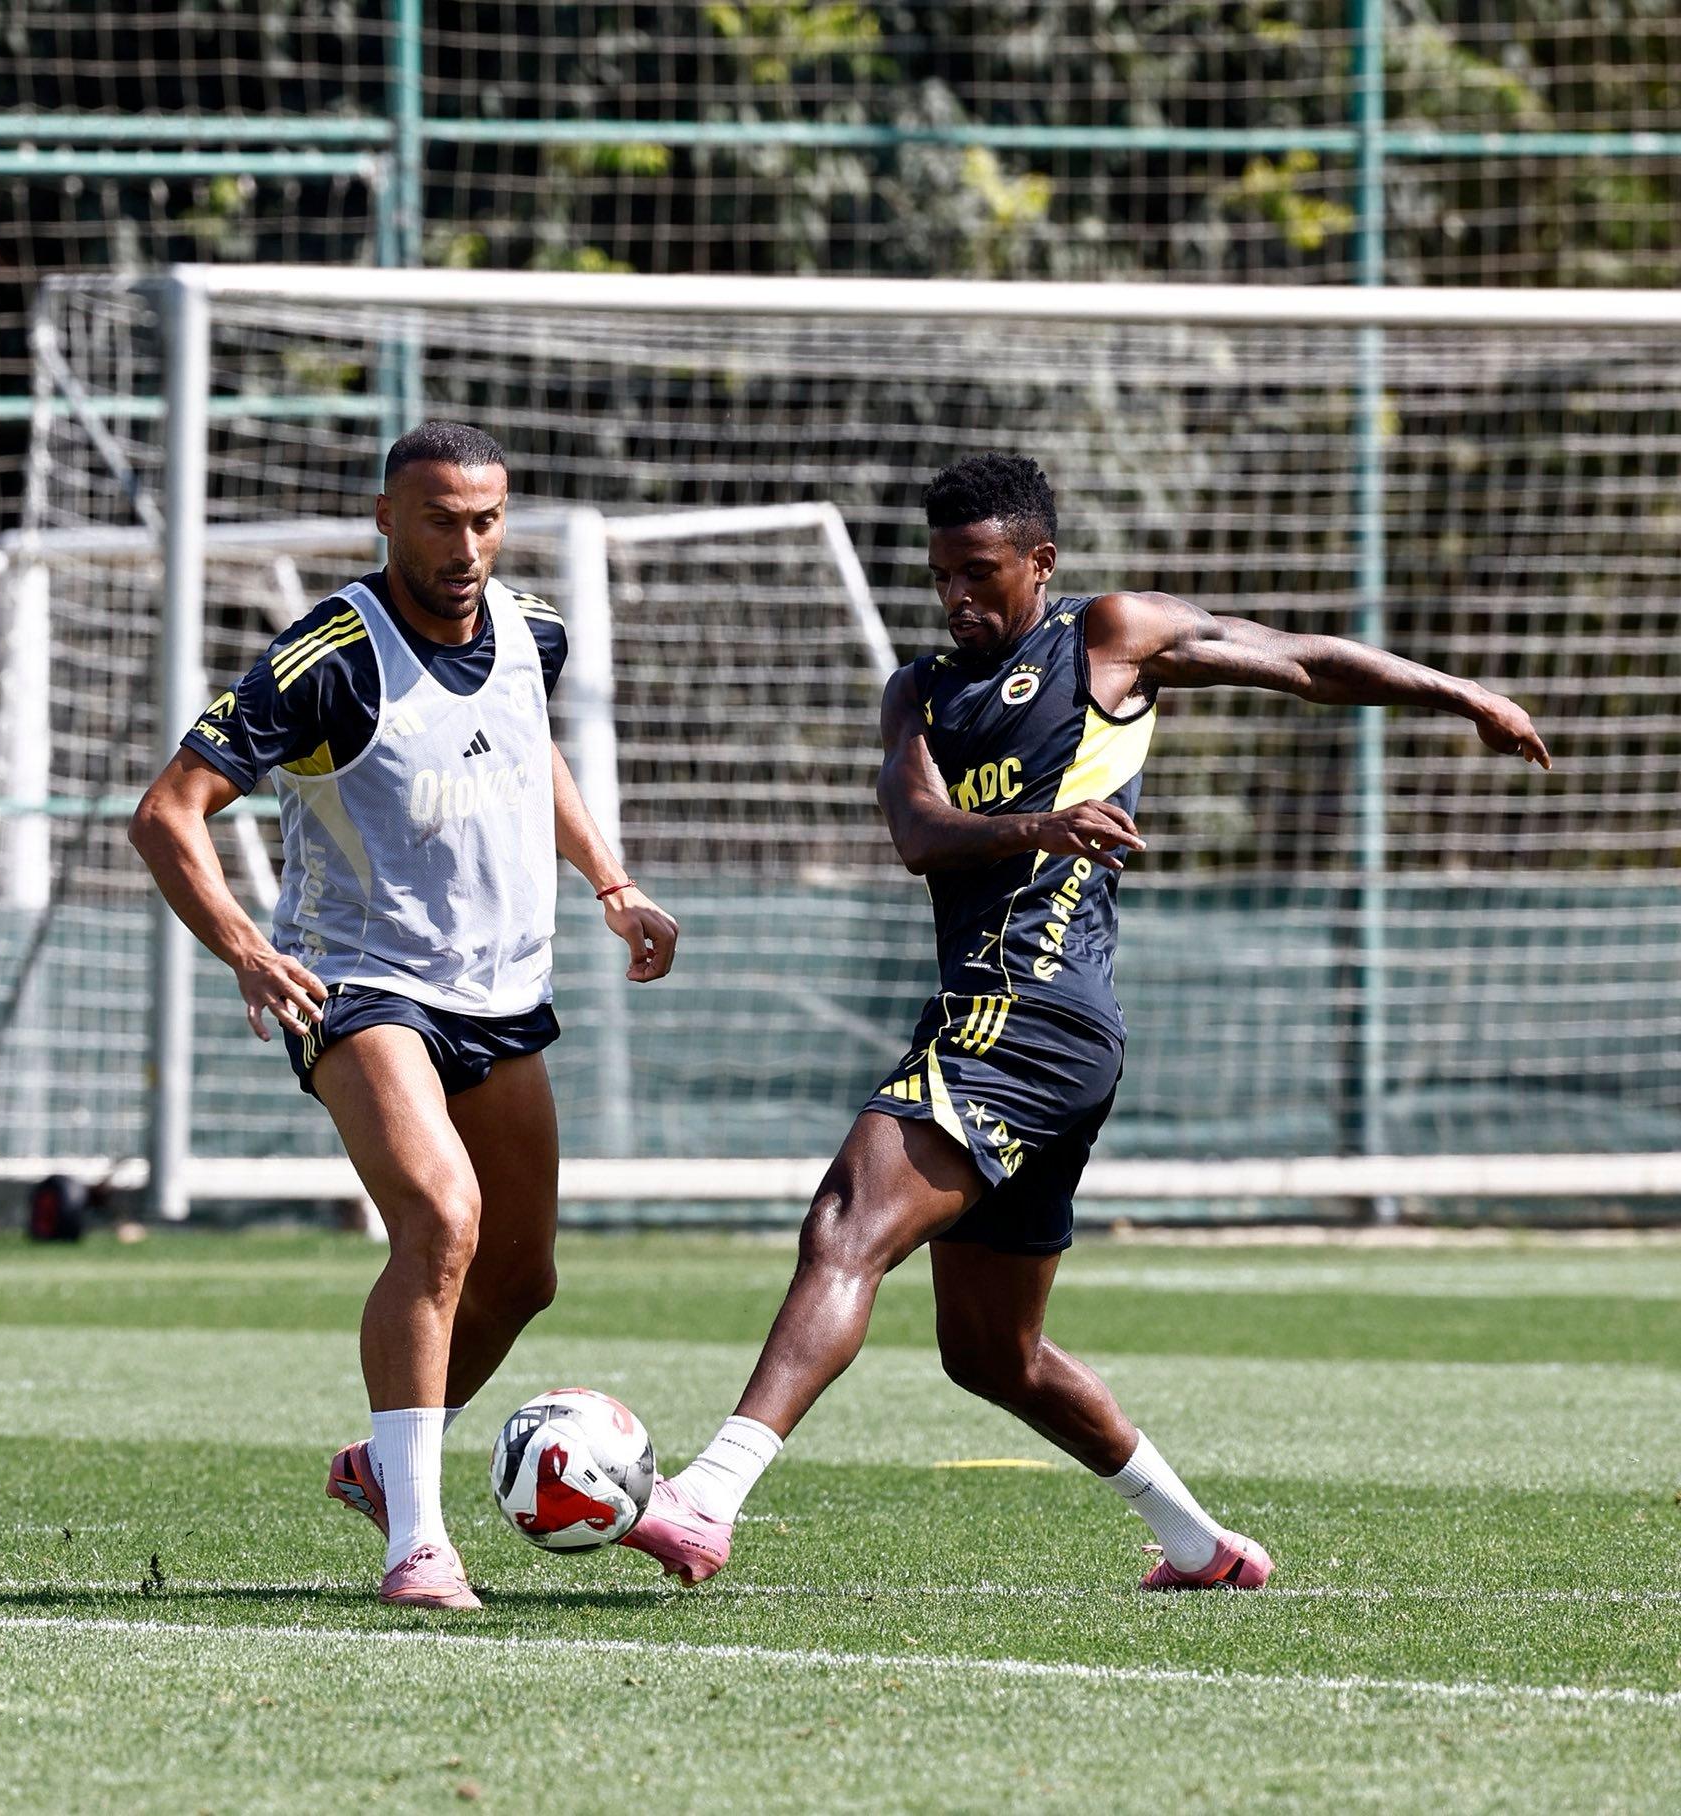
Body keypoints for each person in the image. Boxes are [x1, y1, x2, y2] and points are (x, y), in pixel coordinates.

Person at [623, 453, 1549, 1592]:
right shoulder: (918, 693)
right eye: (940, 576)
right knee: (989, 1351)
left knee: (845, 1226)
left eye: (978, 573)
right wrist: (1036, 824)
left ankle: (706, 1499)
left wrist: (1463, 694)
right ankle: (1202, 1548)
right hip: (1029, 1026)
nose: (956, 598)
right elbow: (917, 833)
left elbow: (1300, 659)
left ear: (1039, 562)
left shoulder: (1107, 637)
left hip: (1028, 1008)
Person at [131, 421, 679, 1610]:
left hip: (501, 989)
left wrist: (612, 881)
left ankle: (381, 1466)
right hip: (359, 982)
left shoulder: (534, 631)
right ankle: (417, 1544)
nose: (465, 546)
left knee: (521, 1274)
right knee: (440, 1218)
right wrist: (246, 948)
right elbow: (167, 811)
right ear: (386, 519)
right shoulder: (327, 657)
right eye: (438, 521)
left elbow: (527, 752)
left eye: (485, 520)